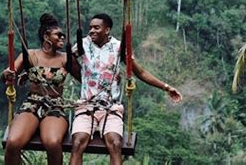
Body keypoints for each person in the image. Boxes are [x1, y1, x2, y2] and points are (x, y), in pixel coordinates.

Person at [70, 13, 182, 165]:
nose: (91, 31)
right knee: (77, 143)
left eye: (97, 28)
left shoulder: (118, 47)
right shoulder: (83, 44)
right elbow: (66, 61)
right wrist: (81, 76)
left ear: (107, 30)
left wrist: (166, 87)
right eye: (90, 28)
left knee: (115, 144)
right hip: (86, 106)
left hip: (111, 108)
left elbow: (140, 72)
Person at [2, 13, 79, 165]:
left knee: (52, 142)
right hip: (32, 103)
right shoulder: (30, 55)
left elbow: (86, 78)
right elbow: (9, 73)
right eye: (59, 35)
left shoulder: (65, 58)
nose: (62, 38)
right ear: (46, 37)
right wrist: (7, 74)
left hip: (55, 106)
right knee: (13, 142)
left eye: (63, 35)